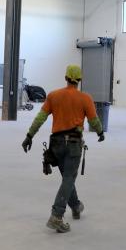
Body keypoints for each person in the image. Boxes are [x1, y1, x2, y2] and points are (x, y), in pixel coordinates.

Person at [22, 65, 105, 233]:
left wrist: (29, 135)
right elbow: (94, 120)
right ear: (79, 80)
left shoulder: (53, 96)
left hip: (56, 145)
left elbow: (40, 118)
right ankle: (56, 216)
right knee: (68, 178)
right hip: (73, 144)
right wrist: (100, 132)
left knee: (67, 177)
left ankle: (75, 206)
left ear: (65, 77)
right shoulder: (85, 98)